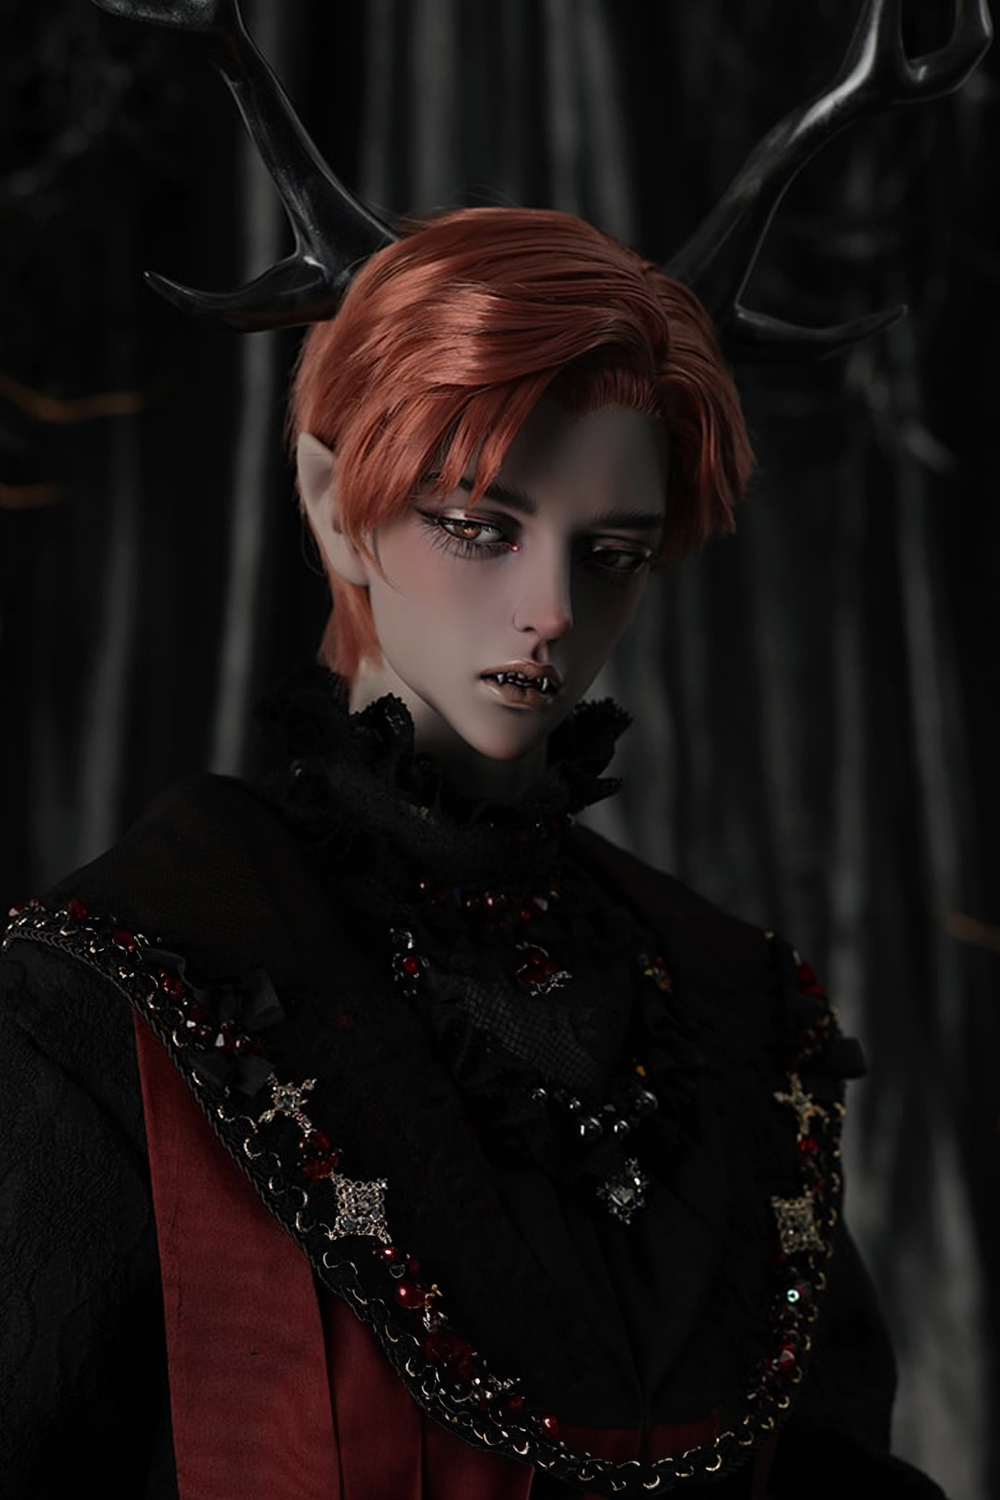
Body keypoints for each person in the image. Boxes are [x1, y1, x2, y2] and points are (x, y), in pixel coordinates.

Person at [0, 201, 947, 1499]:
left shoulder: (733, 1004)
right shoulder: (116, 995)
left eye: (611, 554)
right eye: (479, 526)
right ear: (336, 506)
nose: (550, 610)